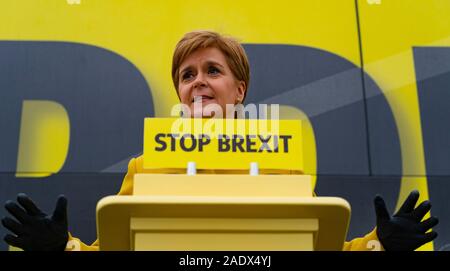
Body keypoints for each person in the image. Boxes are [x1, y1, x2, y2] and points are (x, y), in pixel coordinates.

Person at [1, 30, 439, 251]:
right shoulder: (146, 165)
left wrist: (381, 245)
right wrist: (62, 246)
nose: (199, 83)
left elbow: (317, 247)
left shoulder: (280, 162)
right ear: (179, 94)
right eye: (187, 76)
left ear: (240, 88)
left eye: (213, 70)